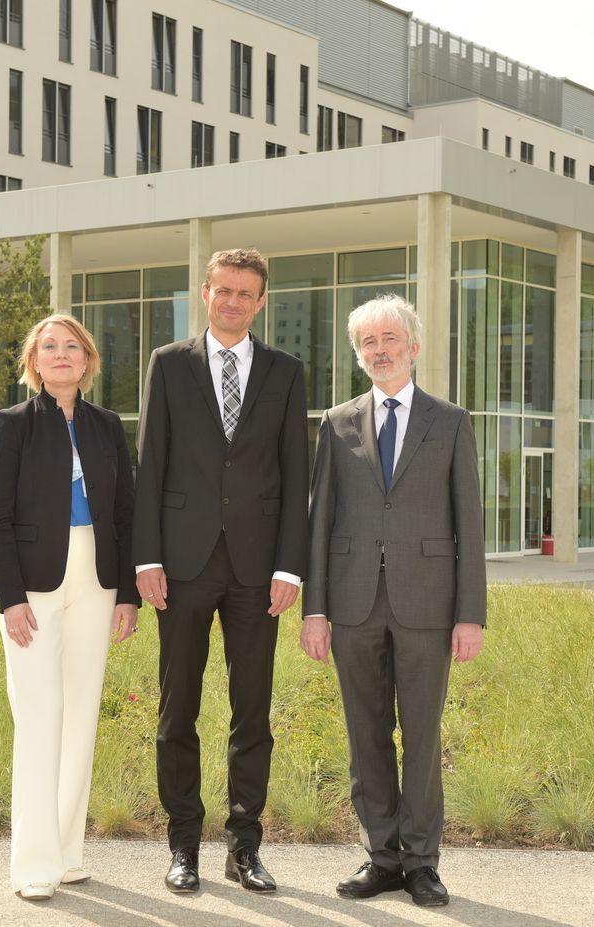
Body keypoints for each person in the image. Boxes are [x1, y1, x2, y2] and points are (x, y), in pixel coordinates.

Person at [133, 248, 309, 895]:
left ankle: (244, 847)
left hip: (258, 568)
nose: (233, 301)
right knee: (176, 709)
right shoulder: (168, 365)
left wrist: (291, 564)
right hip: (179, 564)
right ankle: (183, 846)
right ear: (204, 293)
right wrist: (145, 558)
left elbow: (296, 473)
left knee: (251, 712)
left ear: (260, 301)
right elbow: (149, 464)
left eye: (245, 293)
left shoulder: (286, 372)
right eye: (223, 290)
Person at [301, 296, 487, 908]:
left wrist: (470, 613)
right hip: (352, 604)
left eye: (389, 338)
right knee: (366, 734)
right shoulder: (337, 422)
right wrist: (315, 609)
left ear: (413, 345)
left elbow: (470, 526)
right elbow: (320, 522)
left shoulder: (450, 420)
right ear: (359, 355)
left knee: (424, 734)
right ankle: (381, 857)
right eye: (368, 343)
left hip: (429, 604)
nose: (379, 350)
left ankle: (422, 862)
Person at [0, 314, 140, 901]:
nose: (61, 354)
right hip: (34, 585)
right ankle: (33, 862)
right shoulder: (13, 424)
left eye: (71, 346)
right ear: (34, 362)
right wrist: (11, 598)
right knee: (40, 715)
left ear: (87, 359)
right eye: (49, 347)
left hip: (96, 580)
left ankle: (68, 852)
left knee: (80, 716)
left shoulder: (107, 426)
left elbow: (125, 512)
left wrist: (126, 593)